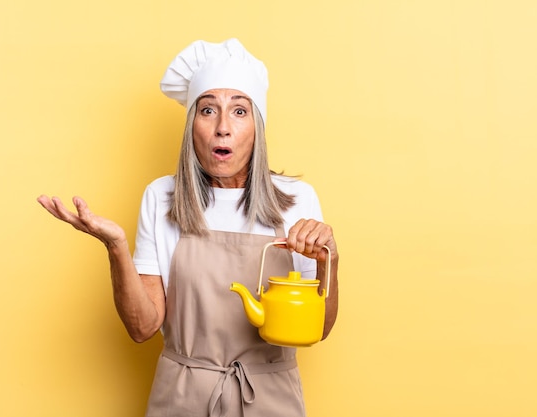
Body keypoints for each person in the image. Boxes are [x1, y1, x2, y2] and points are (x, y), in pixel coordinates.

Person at [37, 38, 339, 417]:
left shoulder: (298, 199)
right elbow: (143, 327)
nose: (223, 128)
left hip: (270, 399)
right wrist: (116, 247)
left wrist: (330, 260)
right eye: (208, 110)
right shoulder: (161, 197)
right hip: (182, 399)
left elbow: (320, 328)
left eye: (240, 111)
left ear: (257, 128)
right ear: (192, 125)